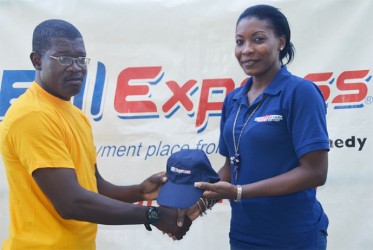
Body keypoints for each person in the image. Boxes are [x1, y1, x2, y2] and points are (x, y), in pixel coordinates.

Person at [0, 19, 191, 249]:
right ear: (37, 60)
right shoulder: (31, 115)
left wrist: (139, 191)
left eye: (81, 59)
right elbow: (70, 202)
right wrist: (153, 216)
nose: (76, 67)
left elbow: (94, 186)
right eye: (64, 58)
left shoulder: (75, 116)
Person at [193, 5, 330, 250]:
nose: (246, 50)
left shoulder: (300, 92)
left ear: (280, 42)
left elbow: (315, 172)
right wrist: (198, 204)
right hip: (244, 235)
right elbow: (230, 167)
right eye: (239, 41)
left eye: (258, 39)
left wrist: (239, 191)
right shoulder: (233, 99)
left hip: (294, 235)